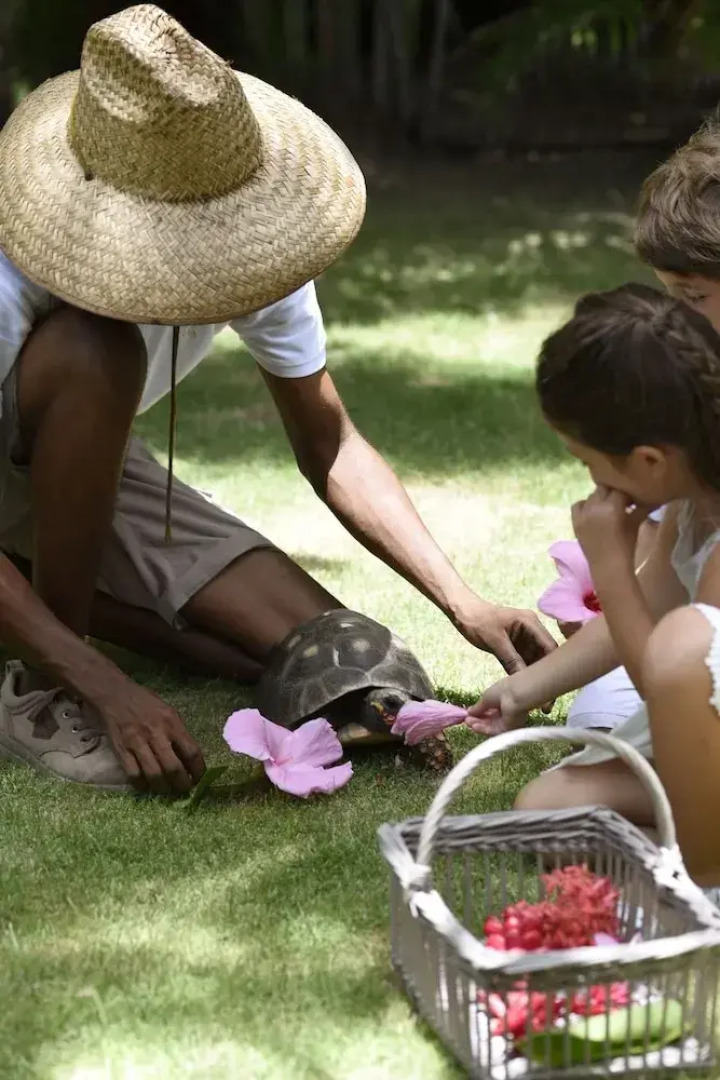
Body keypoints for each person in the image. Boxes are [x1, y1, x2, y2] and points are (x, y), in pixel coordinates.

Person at [0, 5, 555, 797]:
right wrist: (102, 683)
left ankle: (44, 598)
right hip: (40, 428)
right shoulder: (12, 268)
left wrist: (462, 600)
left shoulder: (250, 240)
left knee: (329, 655)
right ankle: (41, 681)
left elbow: (330, 444)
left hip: (64, 466)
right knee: (98, 351)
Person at [467, 283, 720, 887]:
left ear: (650, 461)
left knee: (685, 638)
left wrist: (608, 565)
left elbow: (669, 682)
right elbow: (645, 616)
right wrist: (524, 688)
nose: (589, 479)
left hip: (701, 724)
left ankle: (701, 877)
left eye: (588, 461)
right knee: (543, 812)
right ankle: (684, 855)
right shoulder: (693, 505)